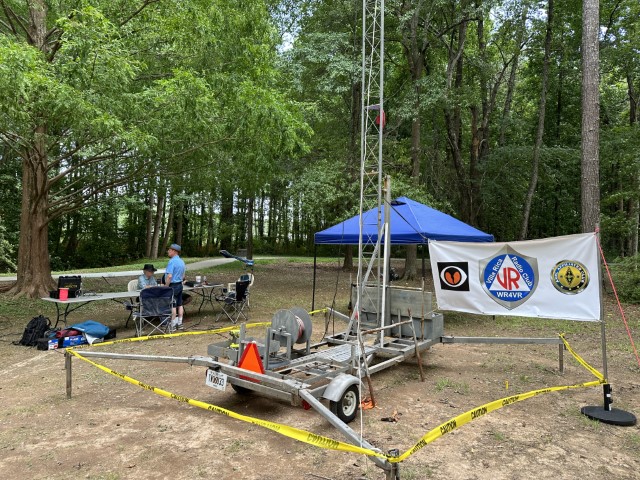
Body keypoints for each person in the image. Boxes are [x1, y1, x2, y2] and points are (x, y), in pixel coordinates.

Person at [165, 243, 186, 331]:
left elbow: (169, 276)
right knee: (180, 304)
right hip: (180, 285)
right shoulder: (182, 261)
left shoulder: (172, 261)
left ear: (174, 251)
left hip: (173, 286)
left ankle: (173, 325)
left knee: (173, 305)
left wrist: (166, 286)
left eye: (169, 250)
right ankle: (180, 323)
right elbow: (183, 275)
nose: (168, 251)